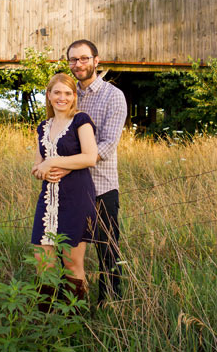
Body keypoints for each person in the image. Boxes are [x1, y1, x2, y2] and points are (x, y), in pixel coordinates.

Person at [47, 39, 127, 305]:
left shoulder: (113, 96)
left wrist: (64, 163)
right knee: (67, 253)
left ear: (96, 60)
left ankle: (111, 305)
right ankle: (72, 306)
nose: (78, 64)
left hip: (101, 187)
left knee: (108, 252)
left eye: (83, 58)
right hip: (70, 189)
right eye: (73, 59)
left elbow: (106, 145)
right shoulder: (67, 94)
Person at [31, 73, 98, 308]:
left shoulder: (81, 120)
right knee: (43, 261)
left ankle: (74, 318)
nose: (62, 97)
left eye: (68, 93)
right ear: (48, 96)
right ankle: (45, 318)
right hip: (48, 198)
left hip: (76, 196)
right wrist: (42, 169)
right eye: (57, 92)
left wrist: (53, 163)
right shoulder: (43, 127)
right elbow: (39, 162)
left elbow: (90, 157)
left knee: (71, 262)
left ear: (74, 96)